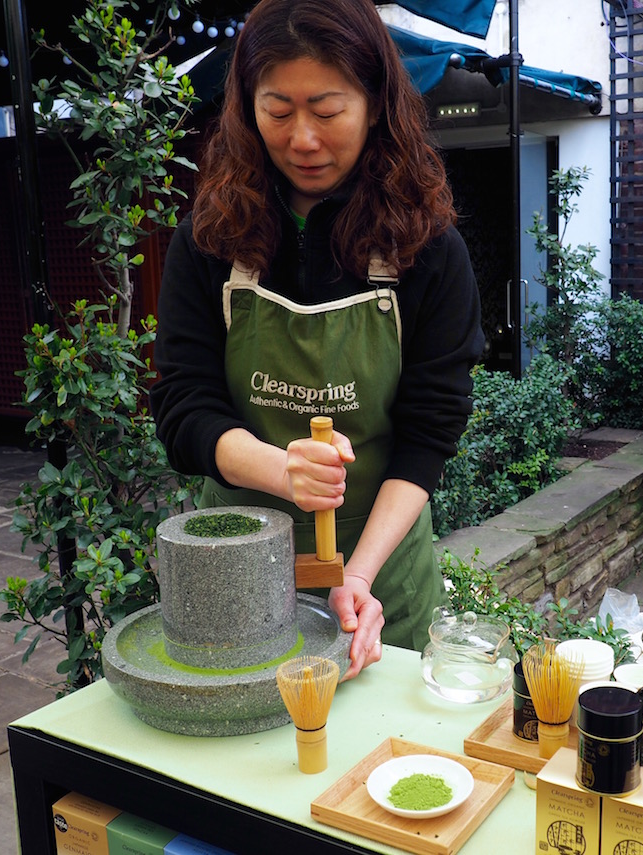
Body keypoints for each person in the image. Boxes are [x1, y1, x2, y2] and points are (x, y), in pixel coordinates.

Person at [151, 0, 484, 681]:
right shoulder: (211, 239)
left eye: (327, 111)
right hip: (237, 564)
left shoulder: (428, 249)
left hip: (378, 569)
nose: (302, 137)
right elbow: (183, 409)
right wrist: (283, 472)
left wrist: (356, 574)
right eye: (278, 110)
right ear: (248, 107)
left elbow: (429, 433)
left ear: (375, 103)